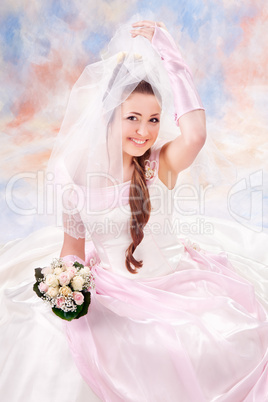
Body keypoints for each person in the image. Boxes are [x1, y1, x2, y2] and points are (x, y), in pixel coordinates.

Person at [0, 18, 267, 402]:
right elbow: (72, 248)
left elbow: (195, 135)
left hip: (178, 284)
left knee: (200, 345)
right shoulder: (75, 179)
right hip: (116, 290)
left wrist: (170, 56)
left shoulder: (161, 163)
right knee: (59, 347)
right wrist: (67, 289)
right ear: (110, 116)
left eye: (154, 119)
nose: (144, 131)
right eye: (133, 118)